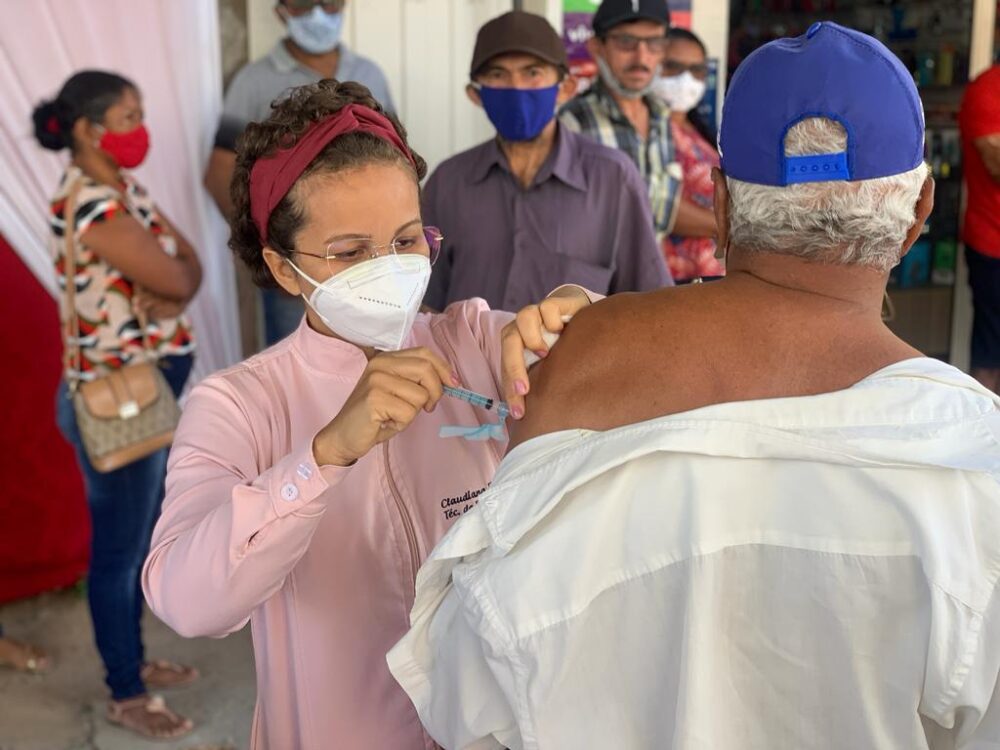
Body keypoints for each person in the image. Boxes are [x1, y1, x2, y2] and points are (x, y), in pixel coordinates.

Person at [389, 23, 1000, 749]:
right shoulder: (975, 465)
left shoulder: (579, 376)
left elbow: (468, 688)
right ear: (919, 213)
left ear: (723, 205)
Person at [142, 79, 595, 749]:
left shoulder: (470, 341)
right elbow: (186, 599)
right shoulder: (240, 406)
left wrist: (572, 311)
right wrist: (321, 460)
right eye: (351, 252)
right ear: (285, 268)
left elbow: (596, 357)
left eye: (408, 238)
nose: (389, 269)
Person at [33, 71, 202, 740]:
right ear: (86, 128)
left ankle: (132, 660)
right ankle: (125, 692)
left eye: (140, 112)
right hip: (118, 406)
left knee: (133, 544)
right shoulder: (93, 204)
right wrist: (181, 279)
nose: (140, 127)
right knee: (120, 552)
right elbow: (176, 271)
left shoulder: (118, 189)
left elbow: (187, 264)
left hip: (143, 397)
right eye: (127, 115)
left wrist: (183, 277)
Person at [423, 11, 671, 313]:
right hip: (463, 361)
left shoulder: (613, 178)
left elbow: (650, 305)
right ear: (476, 95)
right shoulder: (448, 182)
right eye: (498, 75)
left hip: (579, 362)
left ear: (565, 88)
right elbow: (425, 305)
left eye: (532, 73)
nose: (517, 87)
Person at [204, 0, 395, 346]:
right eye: (305, 4)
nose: (319, 14)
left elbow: (396, 162)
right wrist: (273, 252)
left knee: (375, 361)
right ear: (281, 11)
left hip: (372, 261)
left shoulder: (369, 74)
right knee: (303, 376)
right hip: (301, 265)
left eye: (329, 2)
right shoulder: (254, 81)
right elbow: (219, 174)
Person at [560, 0, 717, 244]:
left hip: (650, 277)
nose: (641, 56)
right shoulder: (573, 124)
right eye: (625, 42)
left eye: (654, 43)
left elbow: (659, 212)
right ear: (597, 47)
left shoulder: (661, 118)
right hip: (596, 280)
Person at [652, 28, 724, 281]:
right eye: (672, 67)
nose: (686, 79)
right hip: (670, 275)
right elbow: (656, 205)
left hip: (710, 274)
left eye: (696, 70)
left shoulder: (700, 130)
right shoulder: (646, 130)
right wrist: (729, 226)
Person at [959, 64, 1000, 392]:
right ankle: (985, 437)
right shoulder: (987, 90)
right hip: (993, 244)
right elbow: (995, 162)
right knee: (989, 357)